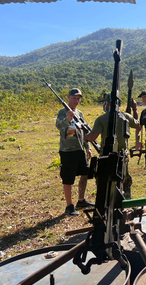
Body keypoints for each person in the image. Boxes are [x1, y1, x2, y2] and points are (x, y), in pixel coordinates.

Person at [84, 93, 139, 198]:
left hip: (106, 155)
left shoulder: (101, 119)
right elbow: (137, 124)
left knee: (105, 180)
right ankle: (125, 202)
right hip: (122, 155)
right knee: (124, 179)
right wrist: (135, 110)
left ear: (108, 103)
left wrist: (84, 136)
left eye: (105, 102)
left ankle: (107, 200)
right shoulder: (126, 117)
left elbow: (92, 137)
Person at [55, 88, 94, 216]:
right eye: (74, 98)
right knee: (68, 178)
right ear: (68, 97)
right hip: (67, 151)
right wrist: (68, 118)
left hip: (79, 149)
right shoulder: (62, 112)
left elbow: (83, 130)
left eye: (78, 99)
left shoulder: (80, 113)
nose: (76, 101)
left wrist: (87, 146)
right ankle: (69, 206)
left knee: (85, 173)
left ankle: (81, 200)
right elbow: (59, 126)